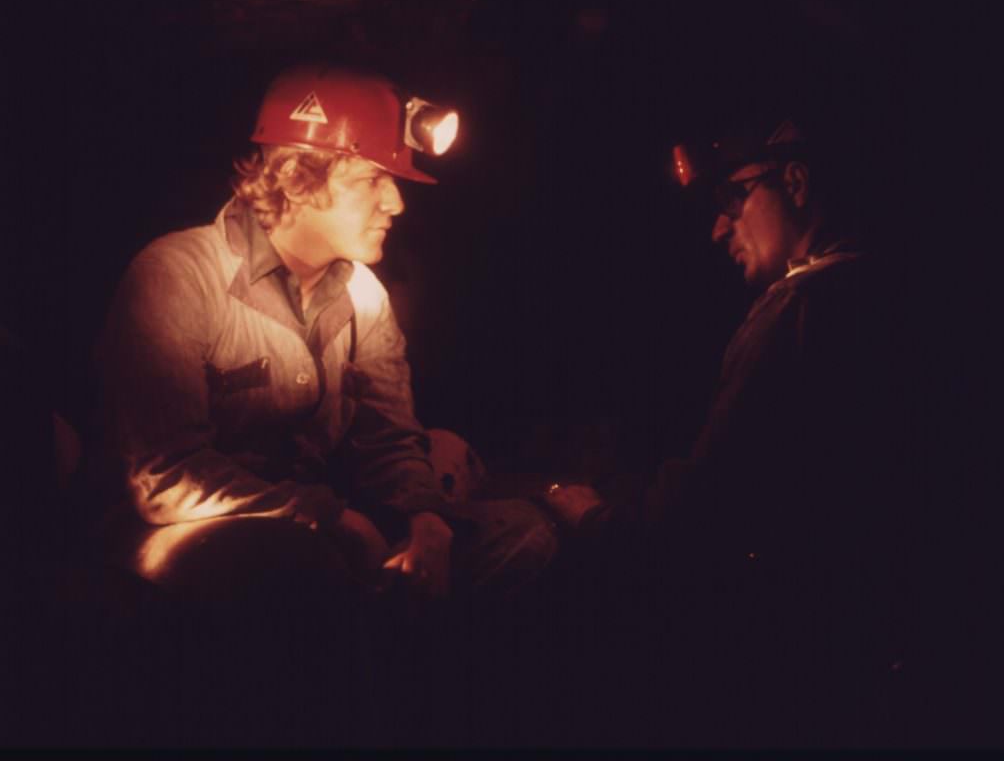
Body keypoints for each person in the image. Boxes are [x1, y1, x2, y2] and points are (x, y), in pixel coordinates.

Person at [91, 63, 558, 617]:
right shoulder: (178, 276)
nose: (396, 203)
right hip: (183, 537)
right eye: (371, 181)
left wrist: (426, 520)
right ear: (294, 179)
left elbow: (389, 441)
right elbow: (166, 477)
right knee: (298, 565)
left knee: (524, 533)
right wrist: (330, 518)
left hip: (320, 530)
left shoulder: (364, 295)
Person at [539, 115, 923, 746]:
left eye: (732, 198)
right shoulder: (893, 292)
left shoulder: (800, 308)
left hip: (804, 661)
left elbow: (705, 509)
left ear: (794, 182)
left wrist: (592, 518)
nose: (719, 228)